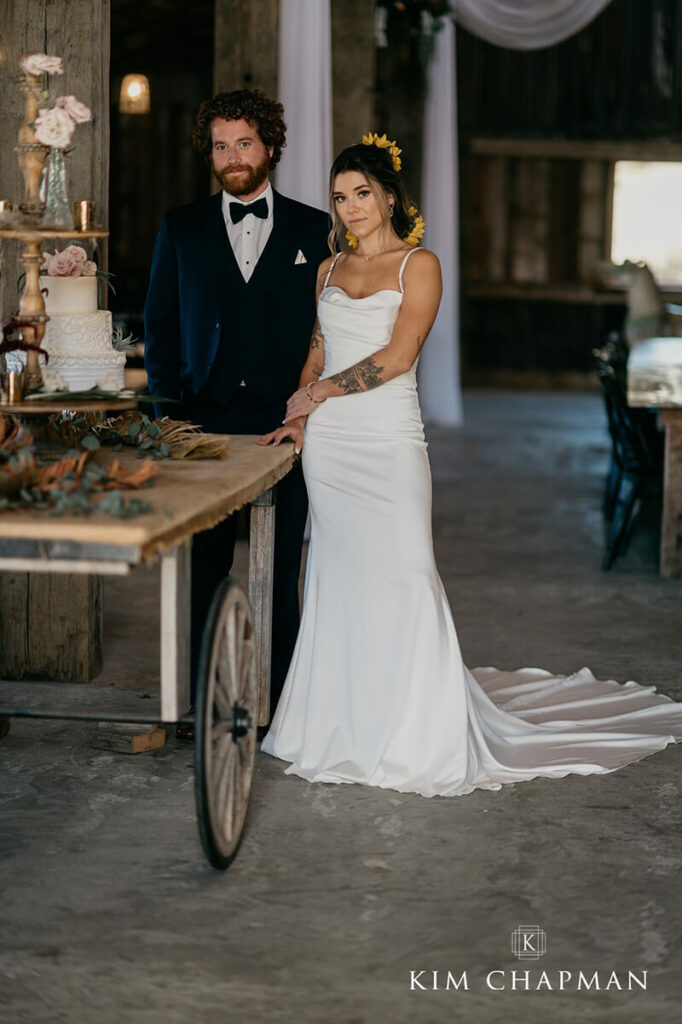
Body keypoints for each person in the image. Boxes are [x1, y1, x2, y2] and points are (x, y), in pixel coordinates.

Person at [257, 134, 682, 797]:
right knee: (337, 575)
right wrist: (300, 412)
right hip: (333, 446)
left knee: (404, 571)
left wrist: (321, 391)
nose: (350, 208)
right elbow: (318, 346)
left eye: (362, 194)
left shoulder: (417, 265)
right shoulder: (327, 270)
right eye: (340, 198)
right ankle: (334, 725)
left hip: (388, 442)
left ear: (390, 196)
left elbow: (397, 358)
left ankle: (413, 732)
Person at [144, 90, 330, 728]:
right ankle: (202, 706)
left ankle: (281, 707)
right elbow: (160, 326)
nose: (233, 157)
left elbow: (329, 330)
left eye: (244, 143)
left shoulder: (314, 229)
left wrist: (308, 410)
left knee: (279, 572)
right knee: (203, 569)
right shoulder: (181, 226)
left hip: (285, 427)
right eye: (221, 146)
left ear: (270, 146)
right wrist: (168, 416)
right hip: (204, 424)